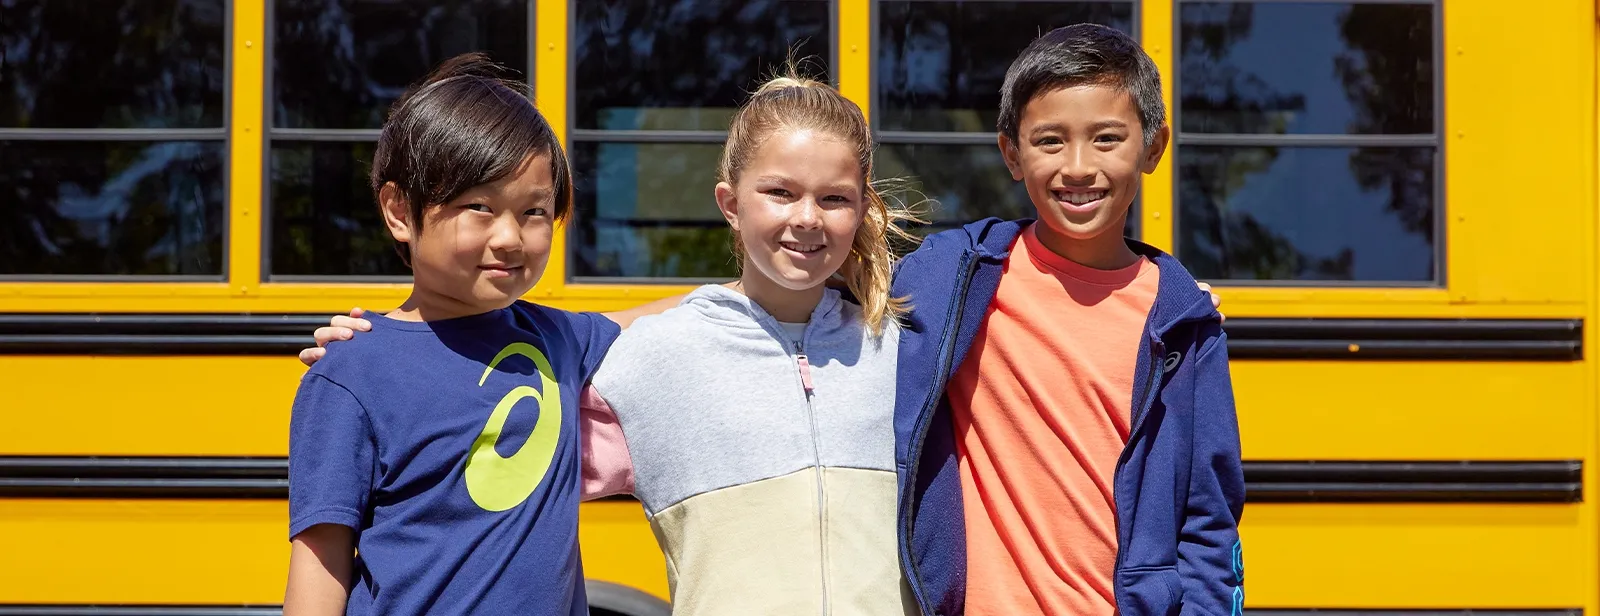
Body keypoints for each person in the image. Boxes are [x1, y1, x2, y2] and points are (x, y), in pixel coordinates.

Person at [890, 24, 1245, 615]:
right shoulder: (954, 277)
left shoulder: (1183, 326)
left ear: (1153, 148)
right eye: (1049, 141)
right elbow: (804, 290)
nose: (1078, 167)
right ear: (1011, 154)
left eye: (1107, 138)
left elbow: (1209, 518)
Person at [281, 53, 619, 616]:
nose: (511, 237)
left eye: (535, 211)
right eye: (478, 207)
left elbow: (687, 315)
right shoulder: (351, 373)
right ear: (397, 211)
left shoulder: (558, 337)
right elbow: (320, 562)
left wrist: (814, 281)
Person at [578, 72, 921, 615]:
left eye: (834, 199)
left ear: (860, 212)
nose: (807, 218)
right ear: (731, 203)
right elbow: (513, 478)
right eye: (780, 192)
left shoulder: (900, 351)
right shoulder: (656, 358)